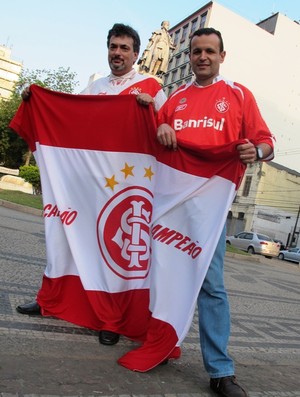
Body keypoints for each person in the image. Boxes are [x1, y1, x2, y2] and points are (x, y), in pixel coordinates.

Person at [16, 23, 167, 347]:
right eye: (113, 46)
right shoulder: (94, 86)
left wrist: (152, 108)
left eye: (124, 48)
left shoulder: (151, 86)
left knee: (113, 254)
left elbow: (165, 130)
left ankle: (111, 318)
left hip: (122, 188)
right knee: (64, 242)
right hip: (85, 189)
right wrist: (36, 98)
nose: (117, 53)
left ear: (136, 54)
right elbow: (69, 120)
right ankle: (50, 300)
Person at [156, 28, 275, 397]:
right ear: (189, 57)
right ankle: (161, 342)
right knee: (164, 276)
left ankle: (221, 372)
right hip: (172, 208)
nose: (202, 57)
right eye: (196, 51)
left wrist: (257, 150)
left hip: (210, 210)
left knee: (211, 287)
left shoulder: (238, 94)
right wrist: (160, 124)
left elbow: (267, 142)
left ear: (223, 56)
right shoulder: (176, 98)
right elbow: (153, 127)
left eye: (209, 51)